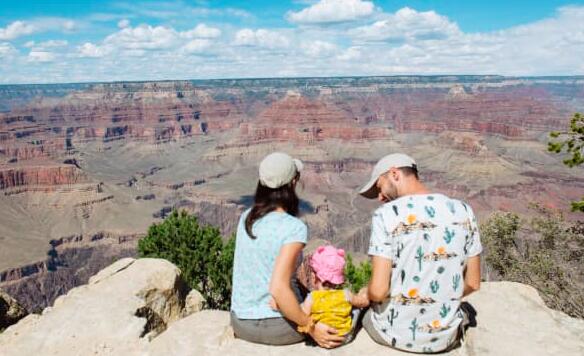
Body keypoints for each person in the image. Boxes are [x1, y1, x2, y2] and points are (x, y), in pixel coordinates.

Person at [359, 153, 482, 353]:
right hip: (446, 338)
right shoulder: (464, 210)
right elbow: (473, 283)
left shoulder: (385, 215)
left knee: (358, 312)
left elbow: (379, 291)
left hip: (393, 334)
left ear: (394, 174)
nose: (380, 197)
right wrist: (441, 295)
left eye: (380, 188)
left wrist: (367, 292)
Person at [230, 152, 345, 348]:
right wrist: (311, 327)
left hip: (240, 321)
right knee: (336, 311)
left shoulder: (246, 218)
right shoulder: (293, 227)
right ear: (292, 183)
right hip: (276, 326)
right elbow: (278, 288)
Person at [276, 245, 369, 344]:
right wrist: (364, 291)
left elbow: (300, 313)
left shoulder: (312, 298)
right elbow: (363, 302)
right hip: (344, 337)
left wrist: (280, 305)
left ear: (314, 277)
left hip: (321, 336)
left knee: (309, 312)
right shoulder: (346, 294)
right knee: (356, 308)